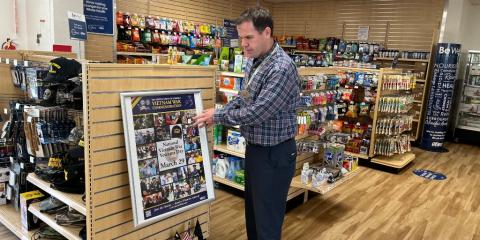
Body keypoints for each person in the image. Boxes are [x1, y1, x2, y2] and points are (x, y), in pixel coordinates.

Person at [193, 7, 300, 240]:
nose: (244, 44)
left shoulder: (281, 67)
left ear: (267, 33)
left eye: (249, 37)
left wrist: (217, 117)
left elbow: (258, 112)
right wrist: (221, 110)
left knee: (267, 225)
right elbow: (244, 97)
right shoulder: (254, 61)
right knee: (253, 217)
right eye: (241, 38)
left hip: (275, 154)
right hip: (256, 150)